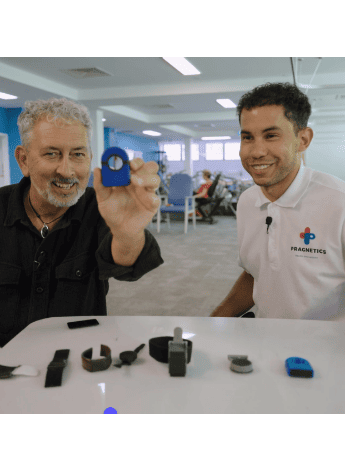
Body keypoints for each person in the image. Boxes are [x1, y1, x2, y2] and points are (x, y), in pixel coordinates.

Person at [0, 98, 164, 347]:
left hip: (79, 358)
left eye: (77, 154)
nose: (67, 171)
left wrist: (127, 232)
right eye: (51, 154)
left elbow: (128, 265)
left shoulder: (100, 208)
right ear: (23, 160)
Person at [211, 82, 345, 320]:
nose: (256, 151)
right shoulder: (247, 202)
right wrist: (217, 318)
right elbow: (258, 273)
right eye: (247, 137)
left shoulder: (339, 203)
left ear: (303, 140)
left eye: (271, 136)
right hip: (266, 343)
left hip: (328, 351)